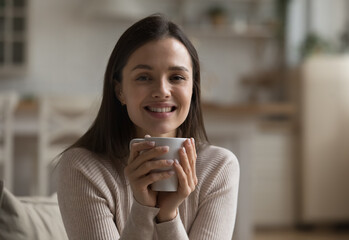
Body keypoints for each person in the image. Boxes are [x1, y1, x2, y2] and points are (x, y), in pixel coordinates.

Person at [57, 14, 240, 240]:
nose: (162, 90)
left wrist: (168, 215)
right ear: (119, 91)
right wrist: (142, 210)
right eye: (144, 77)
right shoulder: (82, 169)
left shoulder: (219, 168)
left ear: (193, 89)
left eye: (176, 77)